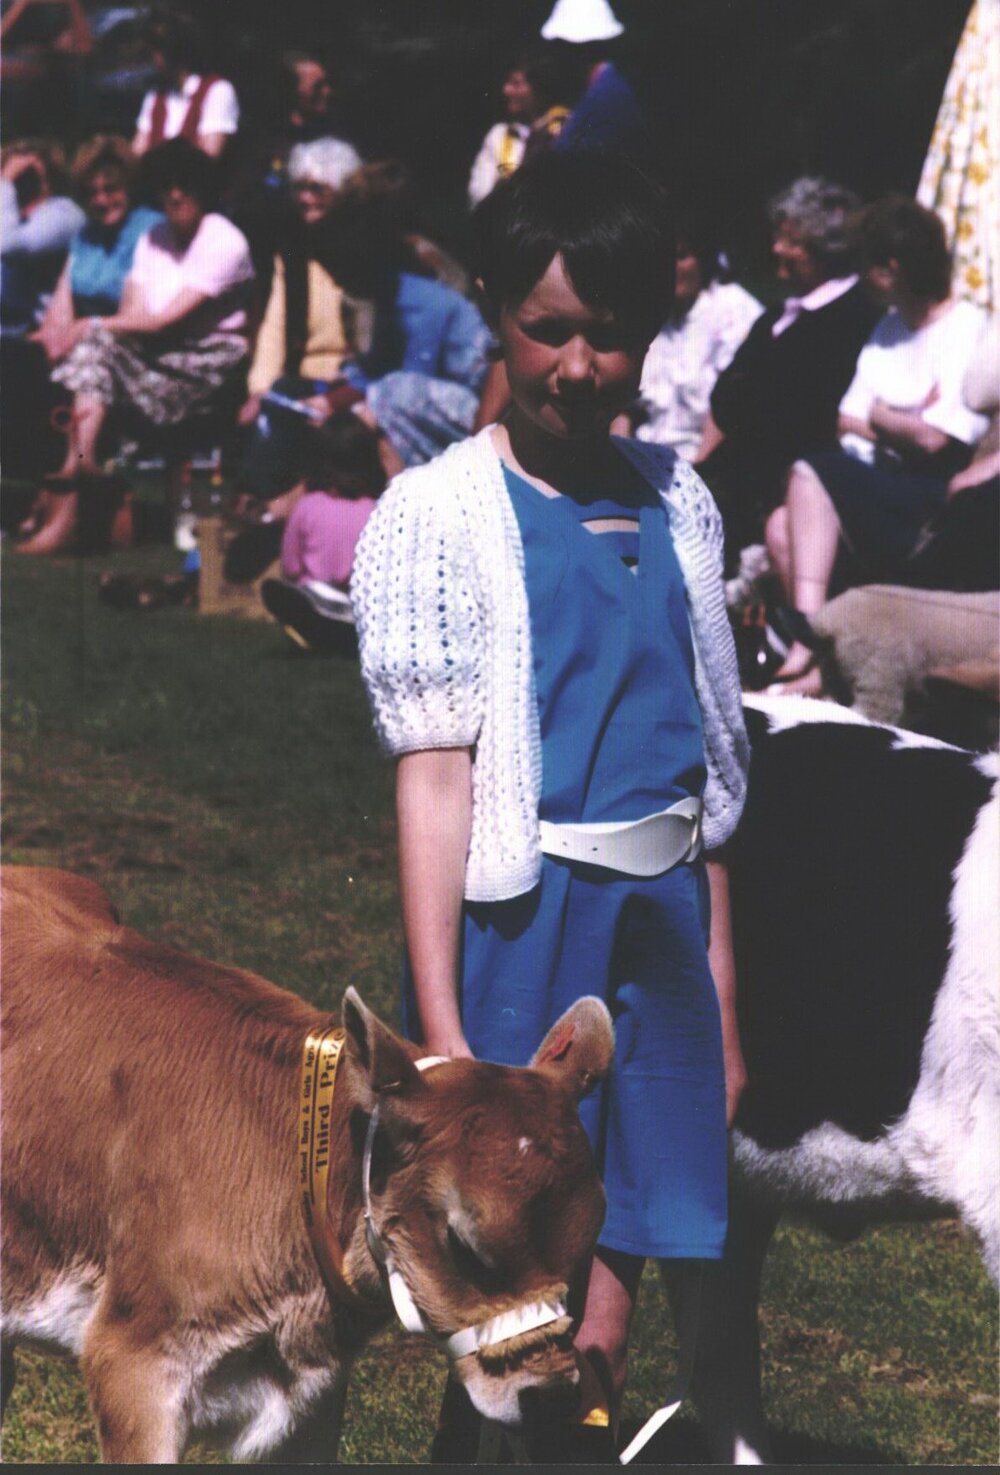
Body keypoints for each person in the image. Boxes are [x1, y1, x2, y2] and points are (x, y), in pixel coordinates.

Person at [351, 149, 749, 1459]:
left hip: (660, 936)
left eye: (613, 334)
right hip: (530, 931)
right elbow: (436, 769)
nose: (580, 364)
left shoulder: (678, 503)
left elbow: (713, 777)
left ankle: (594, 1419)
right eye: (548, 328)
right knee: (508, 1284)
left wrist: (721, 987)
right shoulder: (441, 517)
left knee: (623, 1247)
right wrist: (448, 1024)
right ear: (494, 312)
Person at [765, 197, 990, 693]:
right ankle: (828, 663)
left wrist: (880, 414)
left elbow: (936, 440)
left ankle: (804, 644)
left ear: (891, 269)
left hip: (929, 495)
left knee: (807, 471)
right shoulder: (886, 330)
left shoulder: (967, 328)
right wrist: (900, 420)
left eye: (868, 265)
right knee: (781, 526)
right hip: (879, 483)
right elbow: (847, 418)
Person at [20, 139, 254, 555]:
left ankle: (75, 479)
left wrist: (91, 323)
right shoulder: (156, 238)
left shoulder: (224, 240)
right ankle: (79, 467)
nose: (176, 195)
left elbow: (165, 318)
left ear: (203, 189)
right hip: (158, 353)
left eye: (185, 186)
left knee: (94, 340)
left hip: (210, 363)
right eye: (168, 186)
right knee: (91, 347)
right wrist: (92, 328)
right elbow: (134, 313)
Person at [698, 176, 880, 564]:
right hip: (738, 476)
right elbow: (726, 398)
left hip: (781, 491)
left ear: (825, 251)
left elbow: (811, 416)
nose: (777, 247)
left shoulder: (855, 319)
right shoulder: (778, 317)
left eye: (792, 242)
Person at [633, 210, 763, 460]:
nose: (670, 268)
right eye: (663, 259)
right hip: (646, 455)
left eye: (681, 257)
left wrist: (697, 473)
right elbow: (627, 410)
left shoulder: (734, 310)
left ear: (703, 258)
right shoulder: (657, 315)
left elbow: (732, 408)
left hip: (704, 462)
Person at [261, 409, 385, 653]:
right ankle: (345, 624)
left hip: (316, 591)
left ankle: (321, 621)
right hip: (364, 600)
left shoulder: (307, 506)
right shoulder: (378, 509)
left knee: (304, 591)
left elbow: (291, 567)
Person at [32, 135, 162, 365]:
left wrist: (77, 335)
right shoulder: (86, 235)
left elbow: (136, 317)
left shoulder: (151, 230)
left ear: (129, 187)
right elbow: (61, 306)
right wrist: (46, 343)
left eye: (110, 189)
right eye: (92, 193)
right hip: (82, 344)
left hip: (127, 348)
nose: (101, 200)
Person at [0, 138, 86, 480]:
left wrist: (6, 183)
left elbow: (8, 247)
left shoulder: (63, 214)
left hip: (41, 339)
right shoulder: (11, 215)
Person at [467, 48, 578, 207]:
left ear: (541, 86)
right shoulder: (500, 134)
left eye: (516, 83)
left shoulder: (569, 126)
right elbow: (478, 197)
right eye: (507, 82)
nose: (506, 90)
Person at [132, 10, 239, 160]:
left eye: (157, 47)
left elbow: (208, 159)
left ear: (176, 49)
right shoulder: (155, 96)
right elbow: (137, 155)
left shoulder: (218, 90)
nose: (151, 55)